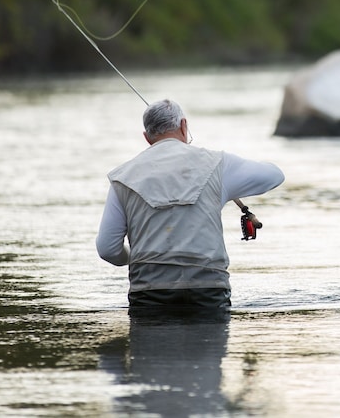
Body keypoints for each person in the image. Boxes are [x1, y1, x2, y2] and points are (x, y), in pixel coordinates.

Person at [96, 99, 284, 310]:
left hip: (148, 292)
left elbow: (107, 249)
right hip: (209, 289)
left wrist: (136, 258)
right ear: (184, 126)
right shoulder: (218, 164)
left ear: (147, 138)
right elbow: (275, 176)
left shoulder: (121, 177)